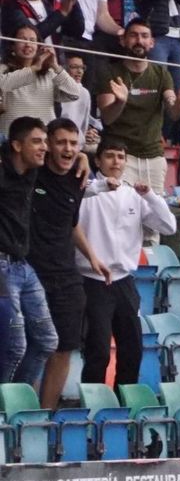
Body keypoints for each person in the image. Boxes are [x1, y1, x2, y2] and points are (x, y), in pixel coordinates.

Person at [76, 142, 177, 390]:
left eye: (121, 156)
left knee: (132, 348)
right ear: (98, 161)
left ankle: (124, 403)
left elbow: (169, 226)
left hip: (124, 280)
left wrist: (151, 195)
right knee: (97, 349)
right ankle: (94, 402)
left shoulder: (133, 193)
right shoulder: (86, 191)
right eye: (110, 155)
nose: (116, 161)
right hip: (92, 280)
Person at [29, 119, 103, 409]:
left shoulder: (78, 178)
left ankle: (44, 418)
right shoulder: (31, 172)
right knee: (28, 347)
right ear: (48, 144)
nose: (69, 149)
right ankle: (18, 414)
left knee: (65, 347)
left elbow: (71, 223)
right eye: (61, 142)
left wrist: (93, 257)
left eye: (74, 143)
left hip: (66, 274)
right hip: (30, 270)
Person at [96, 20, 180, 196]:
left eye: (145, 36)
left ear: (152, 43)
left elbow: (174, 113)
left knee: (154, 218)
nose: (139, 40)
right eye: (133, 35)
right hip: (122, 157)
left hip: (153, 157)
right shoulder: (110, 72)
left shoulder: (161, 74)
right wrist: (120, 102)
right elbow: (107, 117)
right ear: (123, 40)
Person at [0, 117, 58, 386]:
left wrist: (81, 157)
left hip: (22, 265)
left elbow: (68, 153)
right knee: (14, 347)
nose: (44, 147)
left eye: (45, 141)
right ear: (15, 145)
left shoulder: (33, 170)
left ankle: (16, 404)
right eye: (36, 141)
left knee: (47, 340)